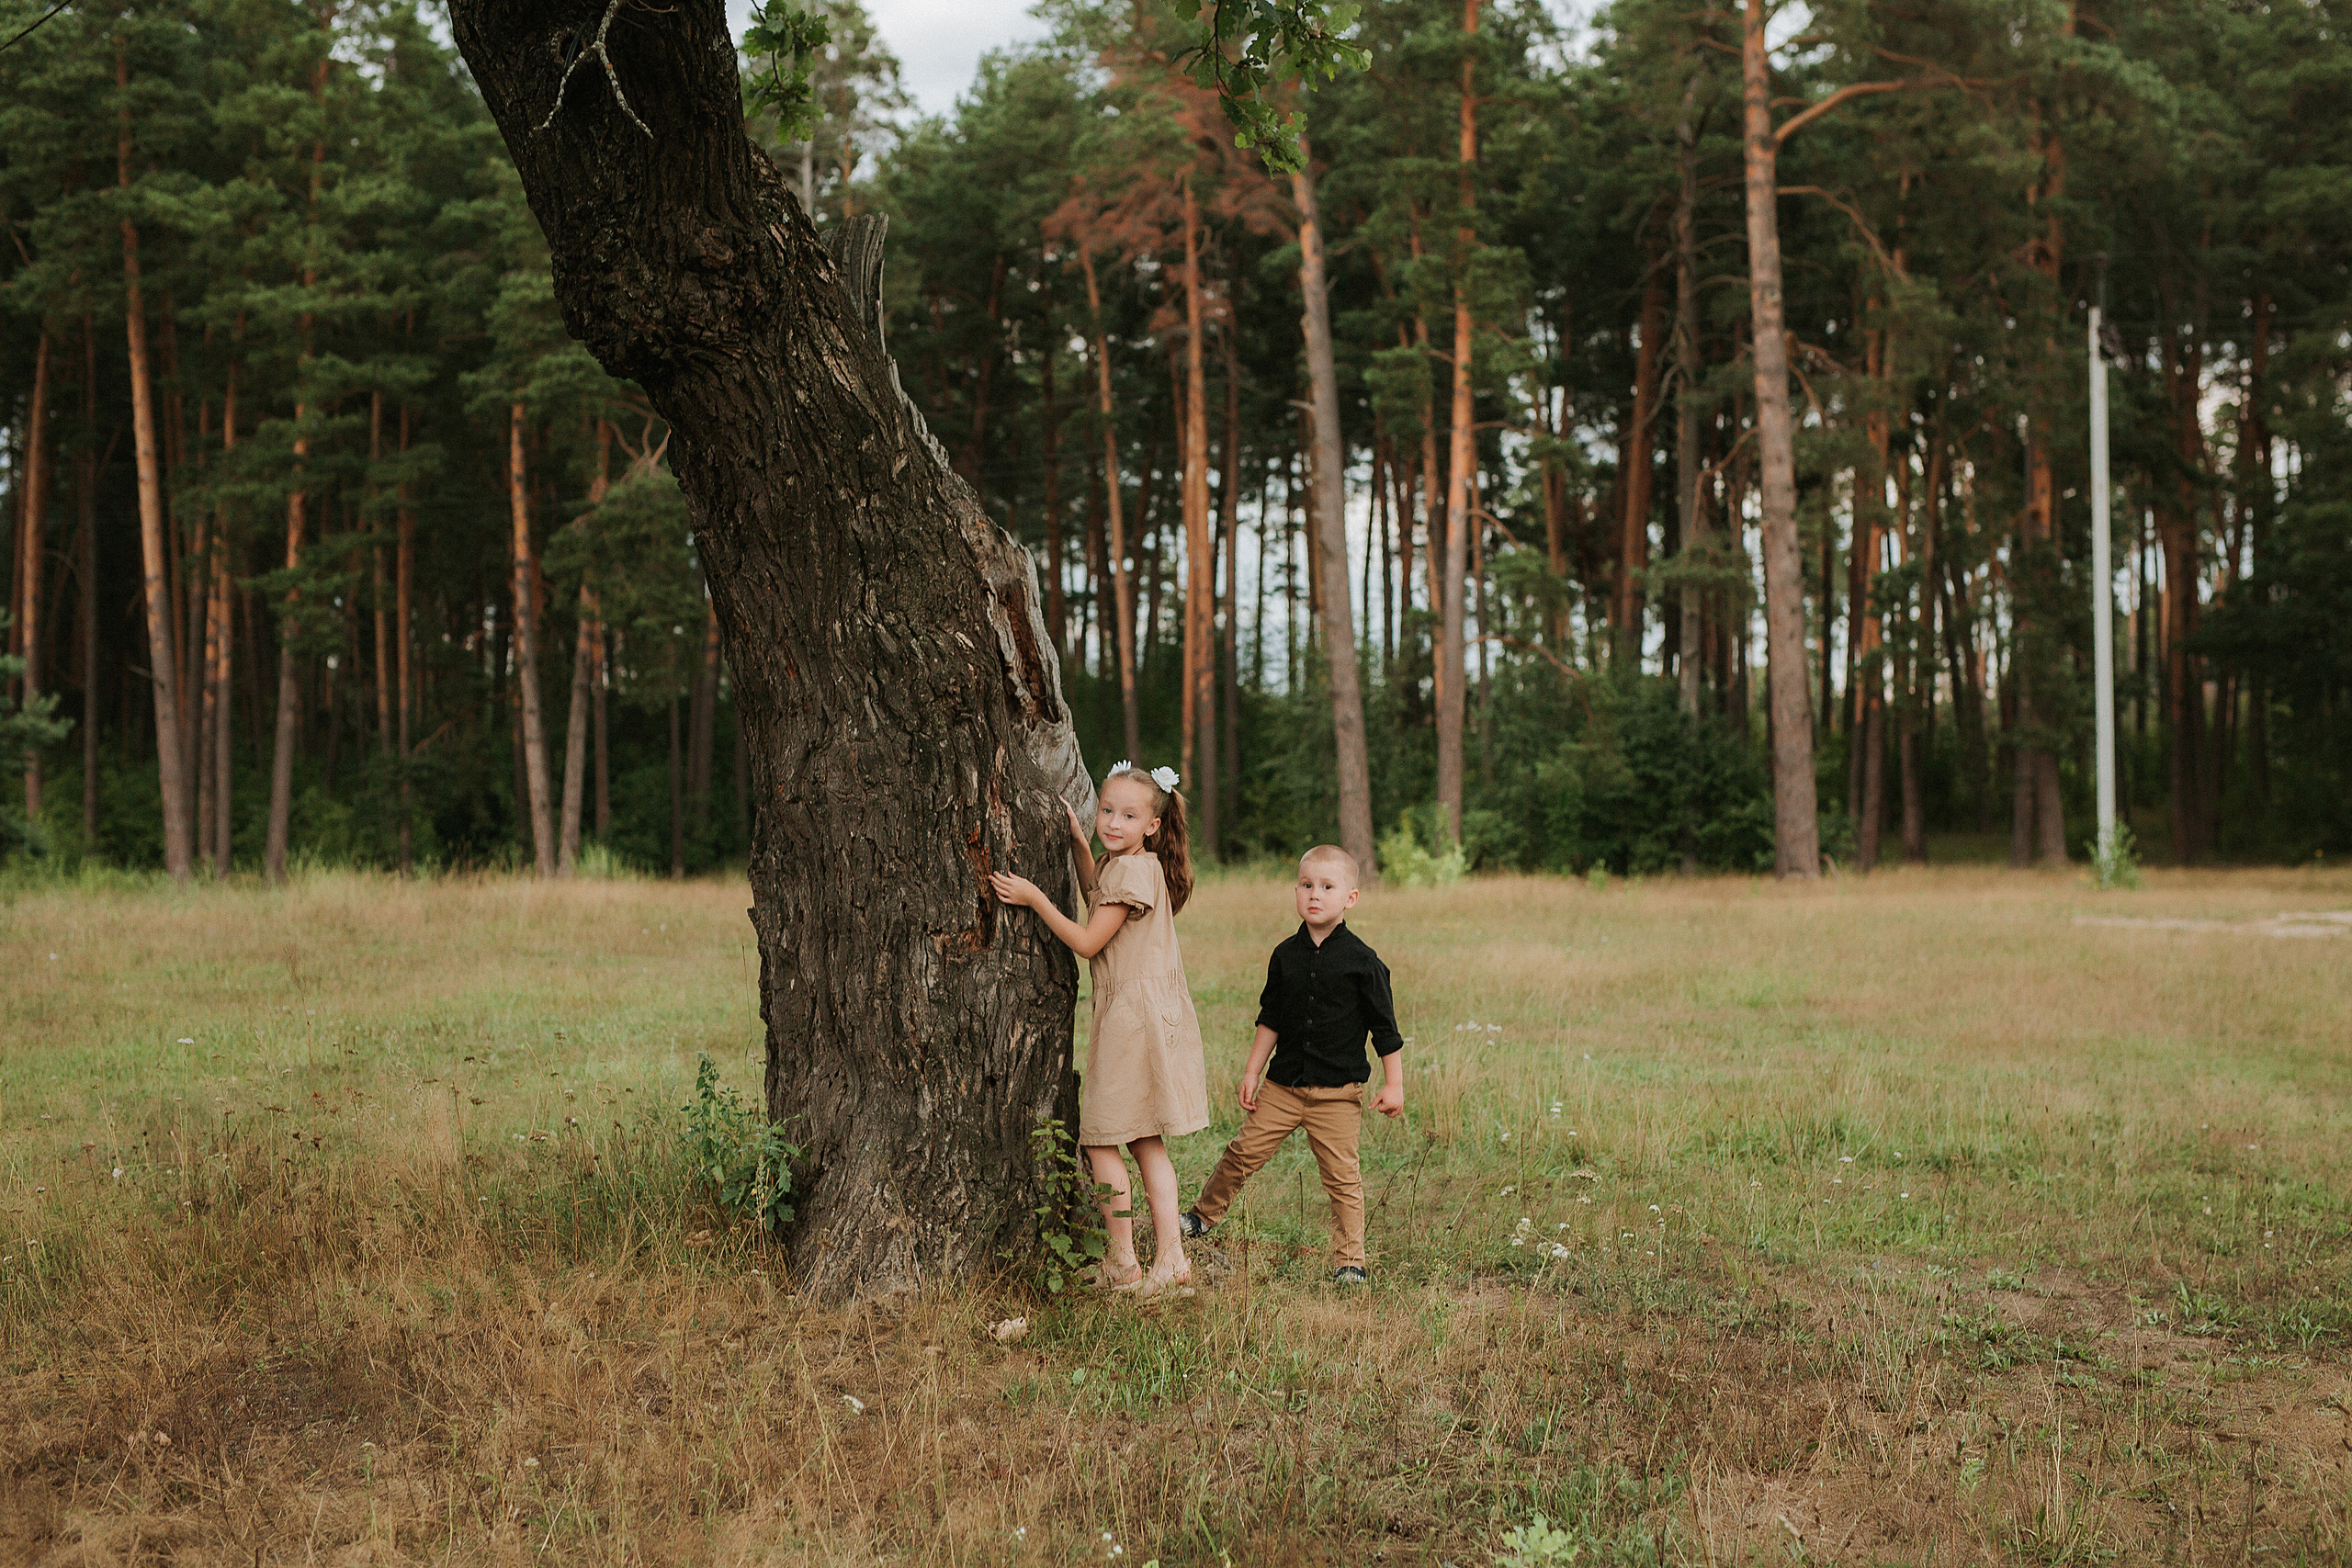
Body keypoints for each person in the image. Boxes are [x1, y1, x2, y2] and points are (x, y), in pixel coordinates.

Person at [989, 761, 1207, 1298]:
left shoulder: (1133, 872)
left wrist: (1036, 897)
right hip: (1140, 1015)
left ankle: (1129, 1262)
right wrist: (1079, 846)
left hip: (1132, 1020)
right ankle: (1165, 1263)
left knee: (1103, 1139)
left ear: (1152, 826)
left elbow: (1089, 940)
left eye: (1128, 815)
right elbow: (1098, 894)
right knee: (1144, 1141)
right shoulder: (1128, 864)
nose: (1112, 821)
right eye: (1106, 810)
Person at [1180, 845, 1404, 1283]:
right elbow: (1272, 1018)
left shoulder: (1364, 962)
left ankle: (1349, 1262)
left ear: (1350, 899)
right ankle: (1203, 1217)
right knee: (1242, 1152)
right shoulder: (1285, 955)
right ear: (1296, 891)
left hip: (1338, 1094)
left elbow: (1385, 1030)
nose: (1314, 895)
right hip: (1283, 1087)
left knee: (1343, 1177)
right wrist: (1252, 1071)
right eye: (1306, 886)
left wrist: (1393, 1084)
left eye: (1326, 887)